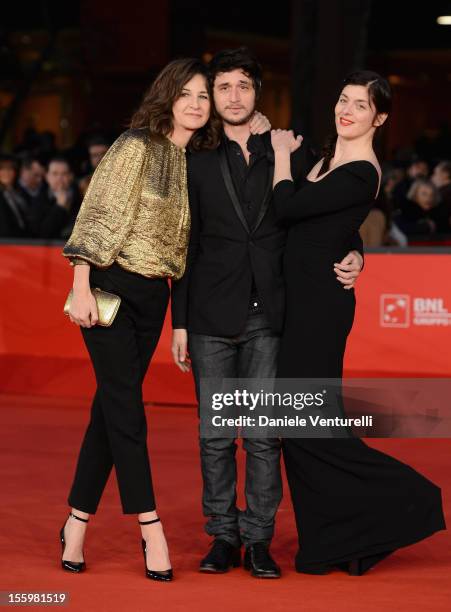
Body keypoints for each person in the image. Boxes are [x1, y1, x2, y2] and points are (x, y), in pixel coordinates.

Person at [171, 48, 365, 579]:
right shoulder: (196, 159)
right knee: (215, 434)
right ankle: (222, 536)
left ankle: (258, 540)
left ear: (258, 92)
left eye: (243, 86)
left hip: (273, 314)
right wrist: (180, 323)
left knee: (261, 434)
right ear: (213, 96)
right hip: (210, 314)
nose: (234, 97)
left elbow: (327, 215)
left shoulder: (291, 151)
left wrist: (356, 252)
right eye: (224, 87)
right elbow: (183, 245)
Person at [271, 70, 446, 576]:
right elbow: (331, 225)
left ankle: (409, 500)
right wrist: (356, 249)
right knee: (299, 426)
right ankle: (335, 541)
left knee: (307, 425)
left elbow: (287, 206)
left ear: (380, 117)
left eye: (361, 105)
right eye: (343, 100)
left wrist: (283, 153)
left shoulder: (362, 171)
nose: (346, 110)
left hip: (321, 308)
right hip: (299, 302)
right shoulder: (328, 158)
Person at [59, 58, 216, 582]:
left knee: (110, 411)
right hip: (109, 289)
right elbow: (98, 212)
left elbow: (188, 249)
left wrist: (178, 322)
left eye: (204, 95)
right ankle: (151, 526)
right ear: (167, 95)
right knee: (128, 411)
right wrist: (80, 282)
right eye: (188, 93)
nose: (197, 103)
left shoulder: (193, 160)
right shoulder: (134, 146)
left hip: (154, 300)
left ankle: (76, 522)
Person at [29, 156, 81, 239]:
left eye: (64, 174)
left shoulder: (82, 198)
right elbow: (42, 234)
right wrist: (59, 207)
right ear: (47, 177)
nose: (59, 178)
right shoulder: (38, 200)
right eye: (55, 174)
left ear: (71, 176)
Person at [0, 154, 30, 238]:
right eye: (2, 169)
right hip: (6, 243)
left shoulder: (20, 193)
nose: (6, 173)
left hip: (23, 241)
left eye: (10, 169)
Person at [431, 160, 451, 234]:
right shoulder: (442, 192)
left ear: (445, 174)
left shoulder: (445, 193)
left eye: (435, 173)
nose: (432, 177)